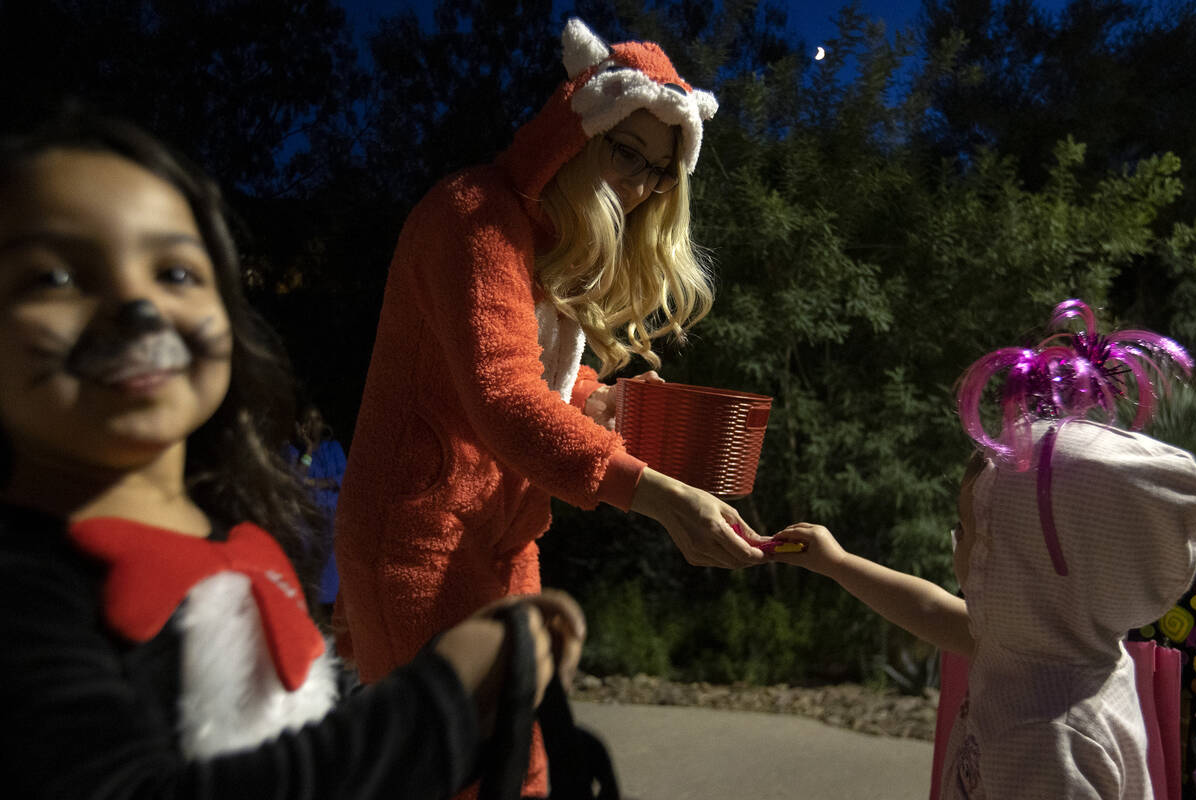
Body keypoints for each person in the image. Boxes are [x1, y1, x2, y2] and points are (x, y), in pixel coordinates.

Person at [0, 112, 585, 798]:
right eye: (56, 279)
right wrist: (438, 702)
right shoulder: (25, 594)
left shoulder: (242, 539)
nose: (137, 305)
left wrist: (487, 695)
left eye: (176, 271)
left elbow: (285, 737)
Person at [334, 17, 766, 794]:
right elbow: (503, 398)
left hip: (504, 543)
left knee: (523, 770)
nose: (636, 185)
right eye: (624, 152)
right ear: (577, 128)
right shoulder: (475, 216)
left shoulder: (553, 243)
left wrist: (603, 404)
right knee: (460, 779)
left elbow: (544, 381)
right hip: (415, 542)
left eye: (658, 172)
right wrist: (661, 497)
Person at [763, 300, 1196, 798]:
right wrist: (836, 563)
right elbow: (930, 608)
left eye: (969, 530)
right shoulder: (1060, 653)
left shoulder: (1046, 733)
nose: (958, 543)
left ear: (1018, 560)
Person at [285, 403, 347, 615]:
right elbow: (296, 482)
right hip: (311, 519)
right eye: (308, 421)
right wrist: (309, 451)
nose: (314, 425)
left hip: (335, 517)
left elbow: (345, 478)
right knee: (315, 570)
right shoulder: (293, 451)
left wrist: (316, 483)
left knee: (337, 568)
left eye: (317, 419)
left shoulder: (334, 448)